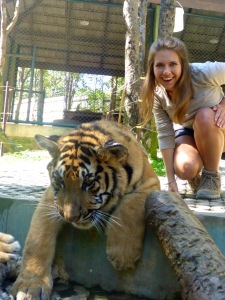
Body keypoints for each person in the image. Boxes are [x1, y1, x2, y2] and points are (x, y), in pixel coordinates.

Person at [140, 36, 225, 200]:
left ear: (183, 64)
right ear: (152, 68)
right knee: (185, 168)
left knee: (204, 116)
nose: (166, 71)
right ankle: (196, 178)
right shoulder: (158, 94)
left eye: (172, 64)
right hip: (188, 131)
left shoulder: (203, 73)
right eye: (160, 65)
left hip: (217, 126)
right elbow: (165, 134)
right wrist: (171, 180)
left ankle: (211, 176)